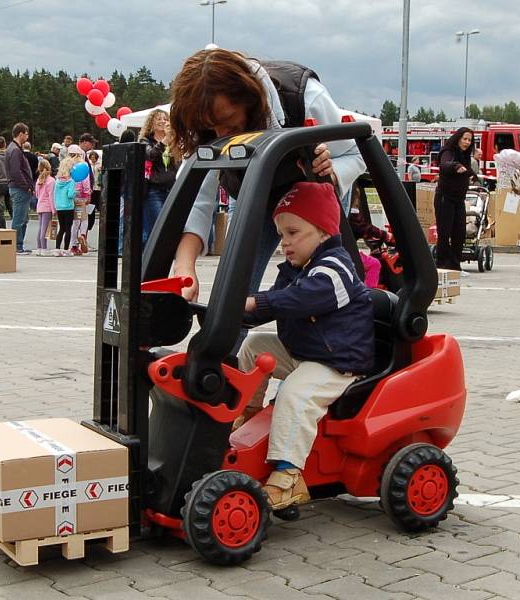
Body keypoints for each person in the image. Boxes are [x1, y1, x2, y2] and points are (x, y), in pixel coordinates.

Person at [169, 48, 367, 301]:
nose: (221, 135)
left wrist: (331, 172)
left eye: (229, 120)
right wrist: (184, 269)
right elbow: (197, 200)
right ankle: (230, 339)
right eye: (211, 127)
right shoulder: (205, 120)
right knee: (233, 287)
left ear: (250, 102)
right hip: (257, 195)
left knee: (321, 284)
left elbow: (356, 153)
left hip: (313, 193)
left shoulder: (306, 99)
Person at [237, 182, 374, 509]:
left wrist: (257, 303)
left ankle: (288, 477)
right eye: (282, 234)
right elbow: (277, 303)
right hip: (305, 352)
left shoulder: (336, 268)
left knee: (295, 393)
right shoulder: (296, 269)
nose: (284, 243)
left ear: (324, 231)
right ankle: (247, 413)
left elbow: (302, 300)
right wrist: (235, 314)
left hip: (337, 362)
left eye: (293, 232)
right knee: (255, 346)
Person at [433, 127, 475, 275]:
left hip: (459, 199)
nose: (467, 142)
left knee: (459, 233)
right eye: (465, 139)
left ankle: (455, 266)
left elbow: (467, 169)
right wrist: (455, 166)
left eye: (469, 140)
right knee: (444, 233)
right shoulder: (448, 151)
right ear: (458, 138)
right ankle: (442, 265)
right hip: (445, 198)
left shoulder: (465, 155)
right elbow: (444, 165)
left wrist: (472, 175)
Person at [139, 109, 178, 245]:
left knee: (169, 226)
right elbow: (151, 155)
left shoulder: (175, 141)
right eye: (159, 119)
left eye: (165, 119)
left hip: (171, 188)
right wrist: (164, 141)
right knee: (157, 226)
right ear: (152, 123)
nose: (162, 121)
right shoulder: (145, 141)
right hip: (153, 189)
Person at [6, 122, 34, 254]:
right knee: (19, 218)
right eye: (26, 133)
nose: (27, 136)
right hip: (19, 188)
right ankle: (16, 245)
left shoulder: (14, 148)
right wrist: (26, 186)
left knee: (23, 218)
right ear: (21, 133)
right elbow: (16, 171)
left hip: (19, 188)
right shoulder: (15, 150)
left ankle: (19, 244)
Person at [54, 156, 77, 254]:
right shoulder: (71, 181)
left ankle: (57, 249)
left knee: (61, 228)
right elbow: (70, 195)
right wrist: (76, 192)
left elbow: (54, 194)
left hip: (59, 206)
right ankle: (66, 249)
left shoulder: (58, 180)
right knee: (68, 229)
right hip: (68, 206)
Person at [34, 158, 55, 254]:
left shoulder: (39, 180)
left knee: (40, 227)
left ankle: (39, 247)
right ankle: (44, 248)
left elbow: (37, 194)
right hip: (47, 207)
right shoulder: (51, 180)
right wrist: (54, 209)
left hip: (40, 205)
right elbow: (51, 196)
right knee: (45, 228)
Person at [87, 150, 102, 232]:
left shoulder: (99, 165)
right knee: (90, 206)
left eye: (94, 157)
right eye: (91, 157)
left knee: (98, 205)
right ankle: (90, 223)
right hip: (91, 189)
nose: (93, 159)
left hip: (98, 188)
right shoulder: (88, 165)